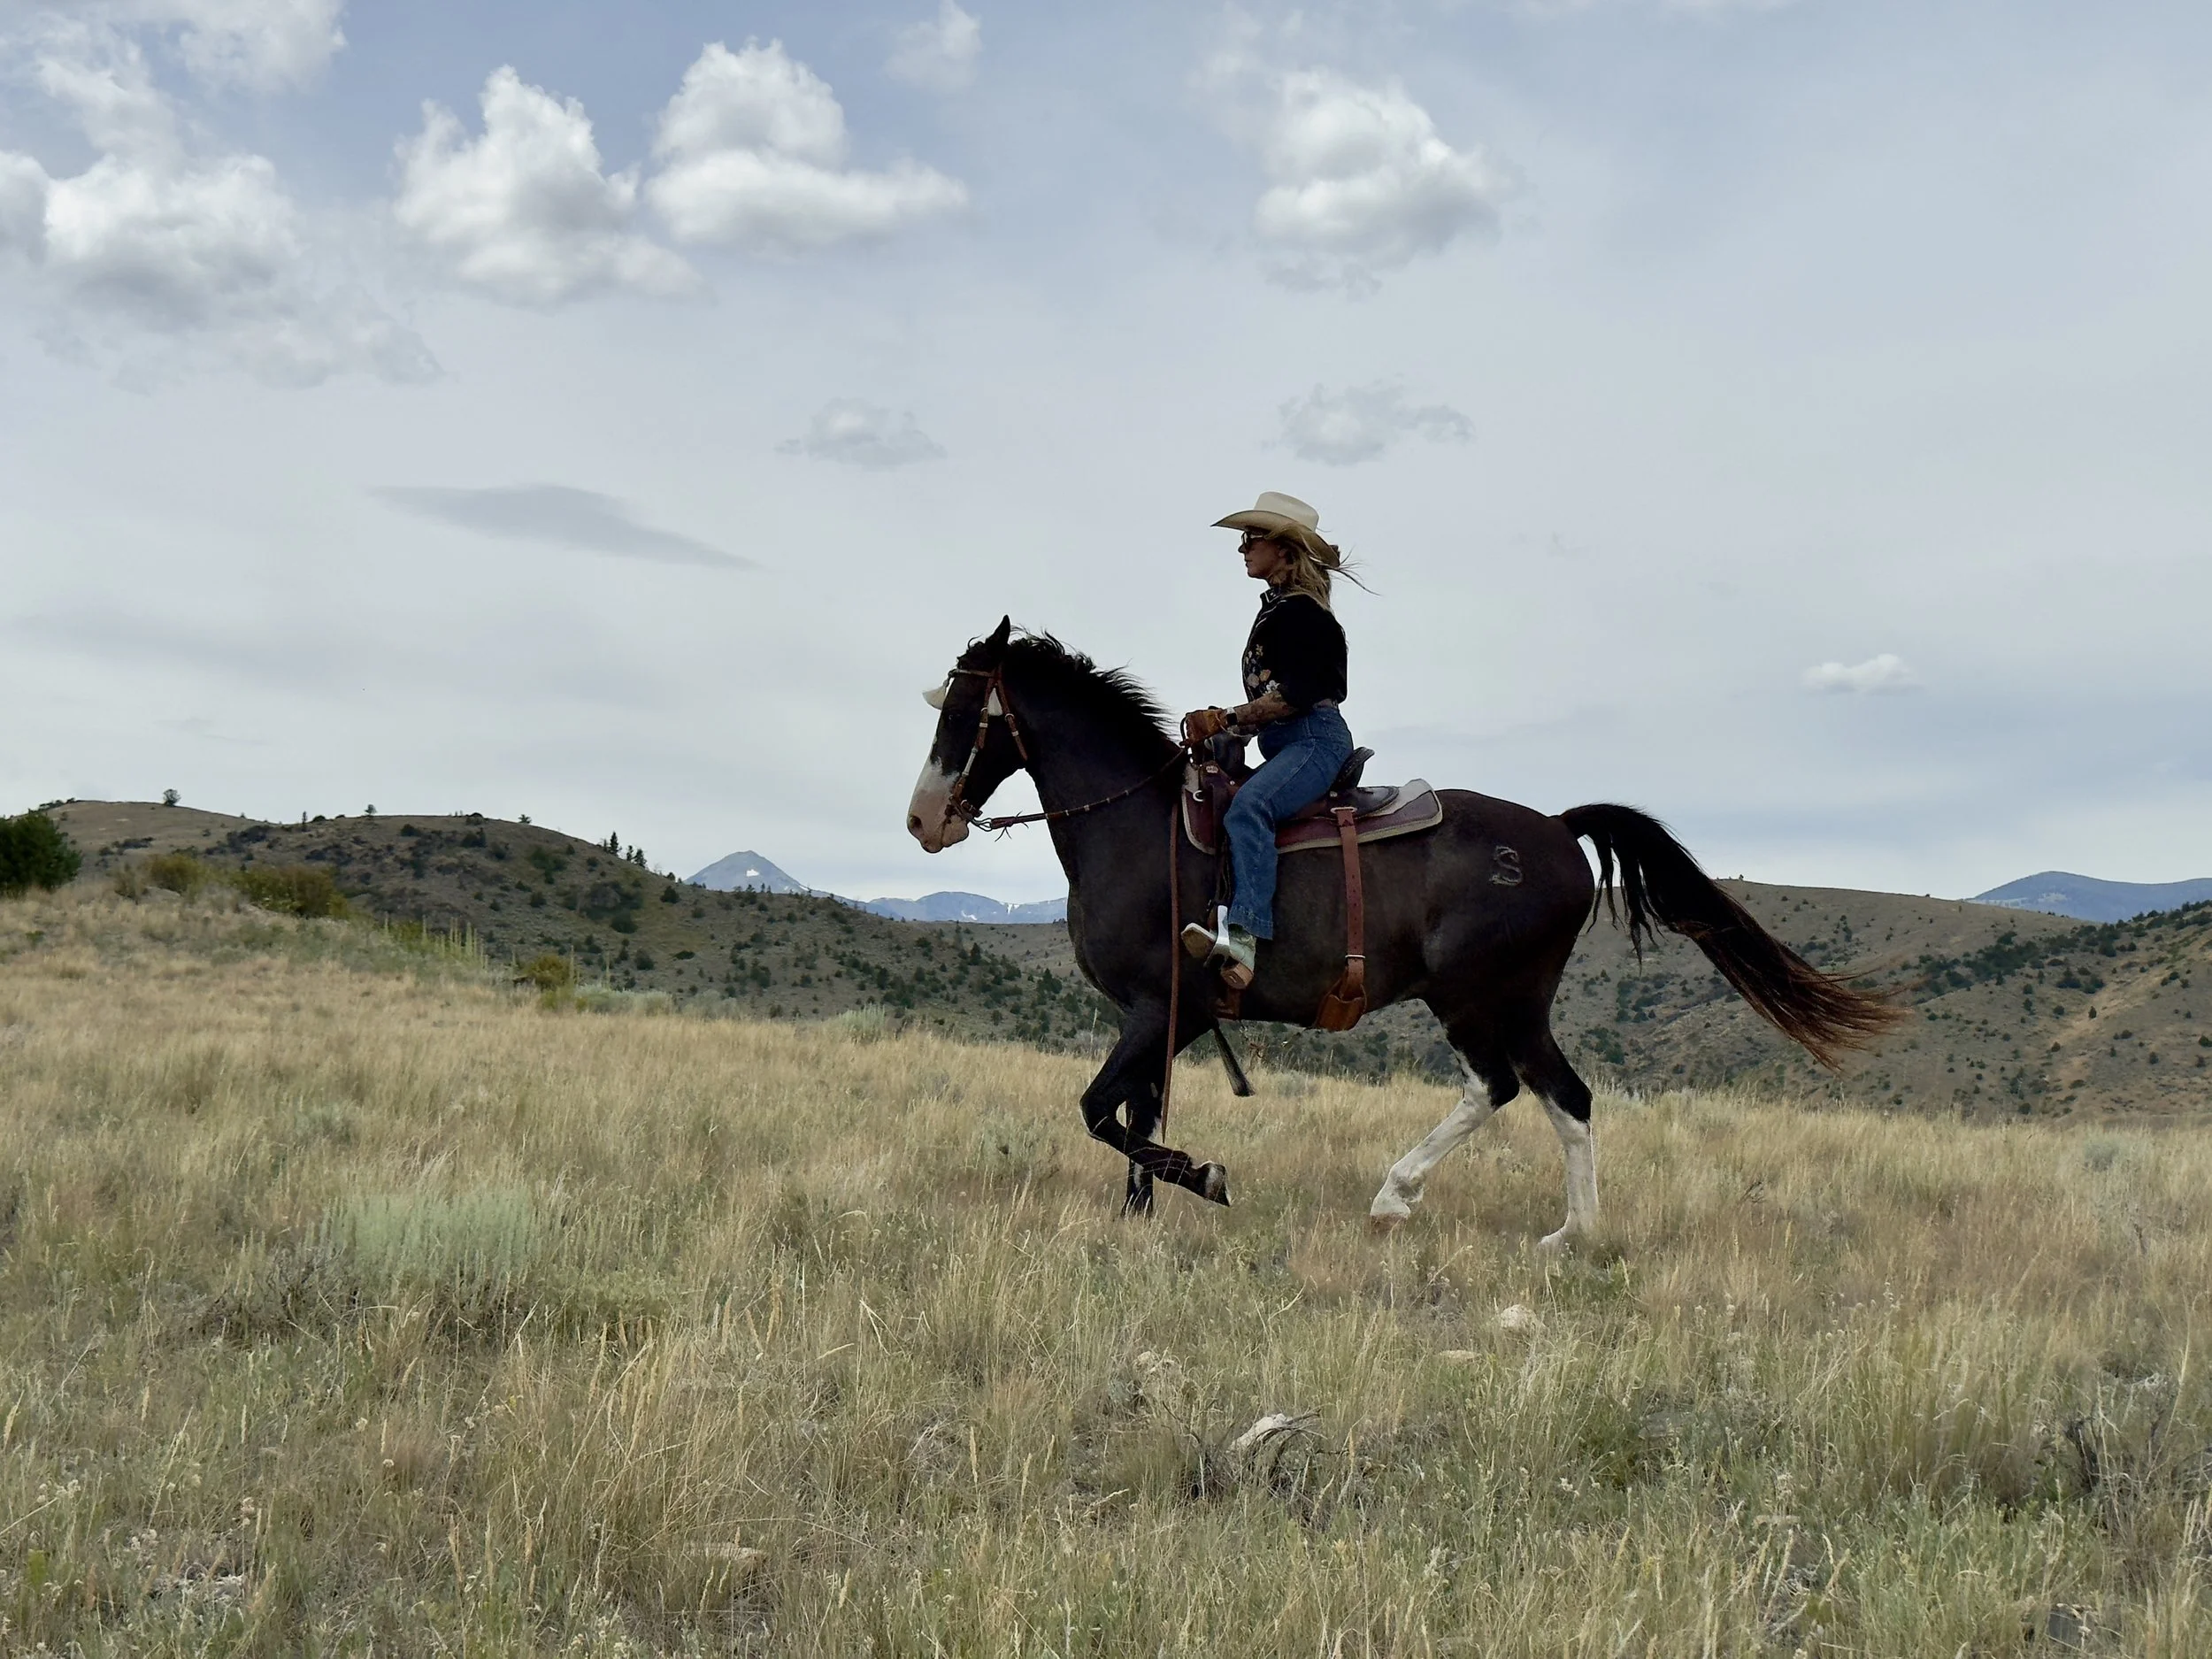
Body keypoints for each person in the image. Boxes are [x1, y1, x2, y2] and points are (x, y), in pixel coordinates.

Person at [1179, 491, 1357, 990]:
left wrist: (1227, 716)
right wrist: (1225, 728)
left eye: (1251, 539)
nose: (1242, 548)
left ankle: (1245, 941)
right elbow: (1269, 704)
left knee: (1247, 810)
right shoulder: (1278, 611)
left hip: (1314, 741)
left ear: (1282, 548)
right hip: (1284, 743)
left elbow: (1294, 696)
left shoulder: (1304, 614)